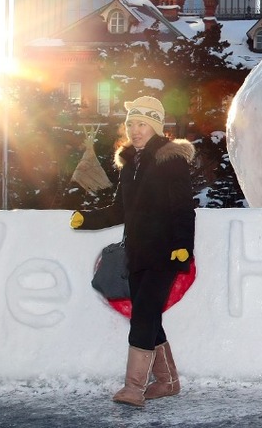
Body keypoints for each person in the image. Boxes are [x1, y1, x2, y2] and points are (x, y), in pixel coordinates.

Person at [69, 96, 195, 407]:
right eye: (131, 124)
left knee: (143, 316)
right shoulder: (129, 165)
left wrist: (183, 247)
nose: (135, 130)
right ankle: (167, 381)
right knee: (148, 316)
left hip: (165, 254)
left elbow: (183, 208)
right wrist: (89, 219)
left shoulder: (170, 161)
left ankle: (134, 388)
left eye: (141, 124)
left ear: (155, 126)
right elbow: (121, 210)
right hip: (137, 254)